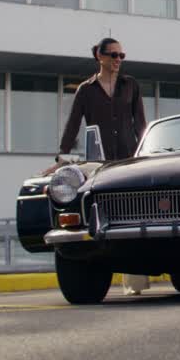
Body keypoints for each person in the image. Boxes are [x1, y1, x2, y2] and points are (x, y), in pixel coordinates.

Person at [57, 37, 150, 294]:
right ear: (99, 56)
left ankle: (135, 280)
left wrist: (148, 151)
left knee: (134, 214)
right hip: (99, 160)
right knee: (105, 215)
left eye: (121, 55)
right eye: (113, 55)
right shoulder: (86, 90)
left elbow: (140, 122)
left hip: (129, 158)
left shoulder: (130, 85)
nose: (118, 60)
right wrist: (62, 156)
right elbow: (73, 123)